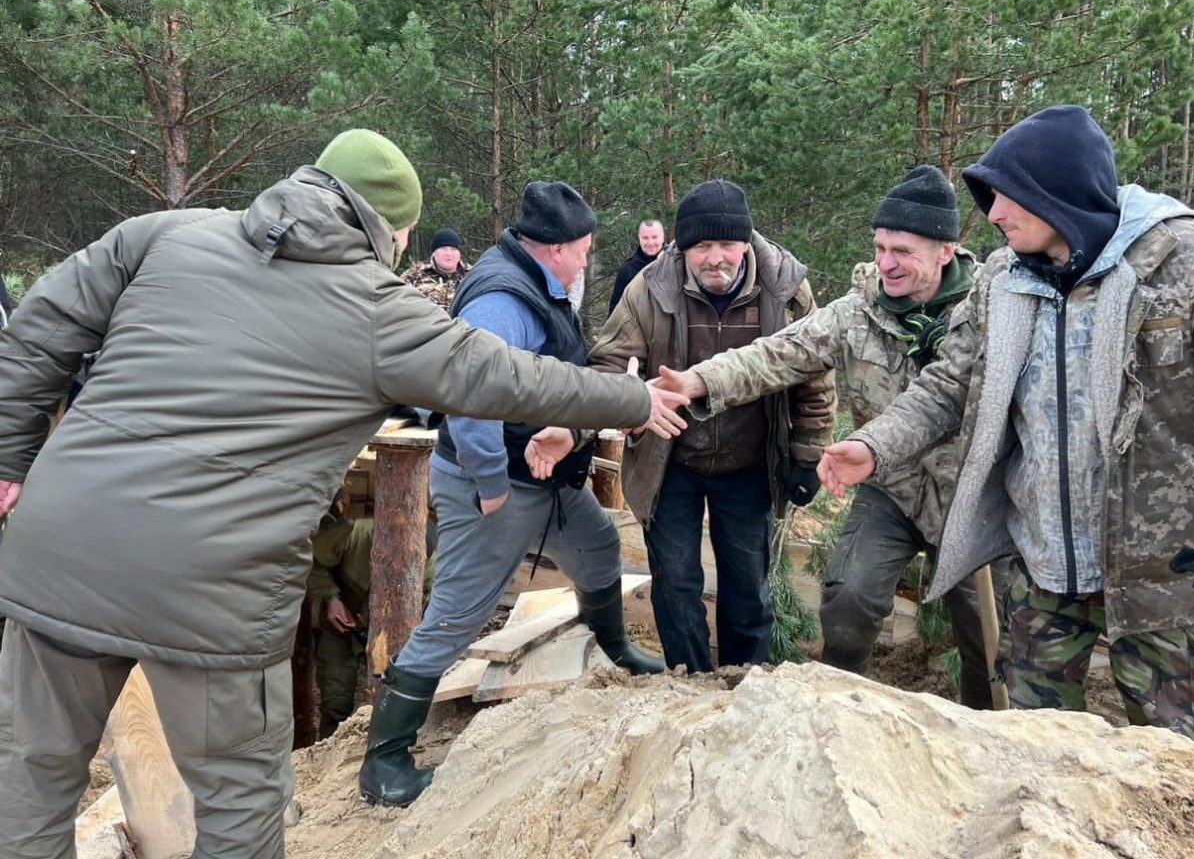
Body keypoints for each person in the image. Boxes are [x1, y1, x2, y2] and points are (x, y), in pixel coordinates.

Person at [0, 130, 687, 859]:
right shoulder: (379, 310)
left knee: (29, 778)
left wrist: (11, 457)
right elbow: (508, 376)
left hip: (61, 550)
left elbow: (37, 332)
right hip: (212, 589)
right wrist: (632, 398)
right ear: (394, 230)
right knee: (238, 802)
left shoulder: (165, 232)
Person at [818, 105, 1194, 742]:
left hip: (1168, 573)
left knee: (1181, 759)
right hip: (1043, 569)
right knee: (1035, 748)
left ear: (1057, 192)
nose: (993, 214)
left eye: (1006, 197)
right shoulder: (1003, 280)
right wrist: (873, 445)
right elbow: (950, 384)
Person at [360, 181, 678, 809]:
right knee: (458, 613)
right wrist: (488, 485)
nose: (586, 262)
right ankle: (385, 761)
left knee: (597, 547)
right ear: (555, 248)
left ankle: (614, 648)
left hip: (544, 477)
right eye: (582, 251)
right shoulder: (502, 302)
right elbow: (470, 399)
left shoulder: (537, 281)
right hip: (497, 481)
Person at [654, 166, 999, 708]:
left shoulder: (990, 313)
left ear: (946, 251)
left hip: (972, 497)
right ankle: (840, 707)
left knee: (987, 630)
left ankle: (986, 727)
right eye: (880, 248)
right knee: (849, 595)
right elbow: (776, 354)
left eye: (902, 251)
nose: (886, 263)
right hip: (891, 489)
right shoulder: (856, 313)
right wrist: (699, 381)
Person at [580, 179, 836, 674]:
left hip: (750, 459)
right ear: (682, 246)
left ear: (746, 242)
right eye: (701, 247)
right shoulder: (649, 288)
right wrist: (630, 402)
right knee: (675, 583)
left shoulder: (785, 289)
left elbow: (814, 373)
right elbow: (607, 364)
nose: (715, 259)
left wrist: (809, 452)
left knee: (748, 585)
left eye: (726, 244)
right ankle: (688, 682)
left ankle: (745, 682)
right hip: (669, 458)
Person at [305, 500, 372, 739]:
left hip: (393, 633)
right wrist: (331, 598)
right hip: (342, 626)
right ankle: (327, 753)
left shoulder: (432, 557)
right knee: (335, 704)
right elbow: (312, 563)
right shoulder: (353, 532)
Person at [402, 227, 468, 310]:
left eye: (453, 249)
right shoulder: (414, 275)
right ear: (434, 252)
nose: (449, 253)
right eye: (443, 249)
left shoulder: (472, 275)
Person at [608, 218, 665, 313]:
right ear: (639, 238)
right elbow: (615, 312)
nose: (650, 243)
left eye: (654, 237)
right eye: (645, 238)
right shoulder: (627, 270)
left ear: (662, 237)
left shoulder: (674, 264)